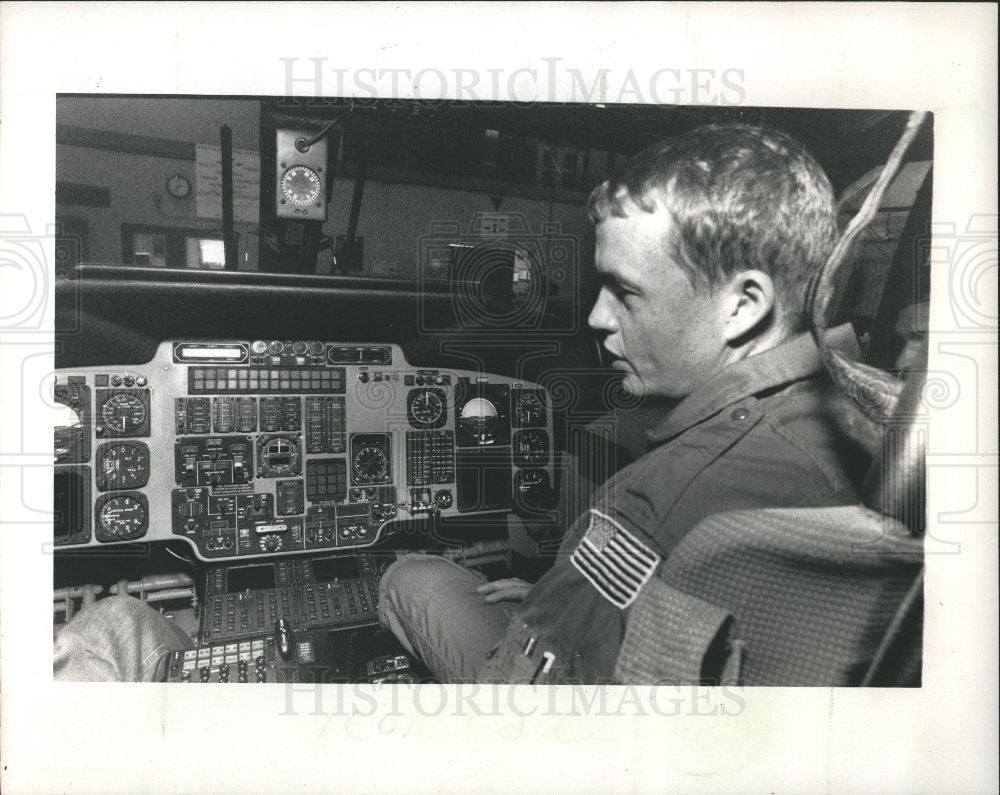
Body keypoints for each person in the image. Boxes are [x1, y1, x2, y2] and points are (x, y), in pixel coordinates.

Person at [377, 123, 868, 684]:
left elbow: (524, 701)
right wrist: (565, 590)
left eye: (626, 292)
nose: (596, 318)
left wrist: (552, 616)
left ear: (743, 306)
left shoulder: (661, 499)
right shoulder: (878, 423)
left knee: (411, 577)